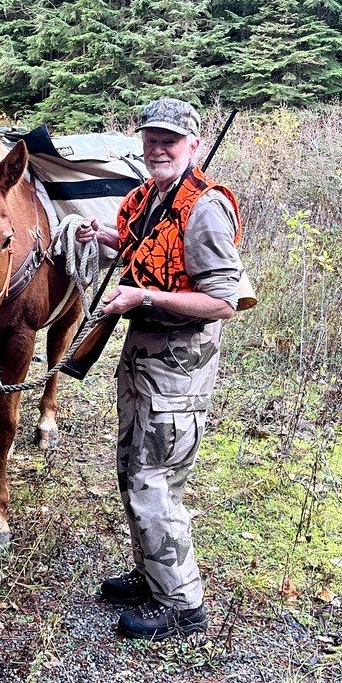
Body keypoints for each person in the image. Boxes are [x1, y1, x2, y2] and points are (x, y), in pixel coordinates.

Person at [75, 97, 243, 641]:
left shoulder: (205, 208)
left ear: (193, 144)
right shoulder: (150, 198)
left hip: (178, 366)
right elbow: (144, 246)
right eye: (151, 138)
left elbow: (224, 301)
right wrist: (103, 238)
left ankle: (182, 605)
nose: (159, 148)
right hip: (144, 355)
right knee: (133, 469)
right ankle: (153, 574)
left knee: (155, 480)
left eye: (171, 139)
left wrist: (140, 296)